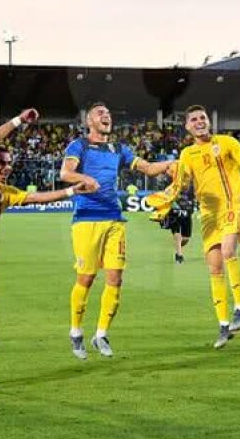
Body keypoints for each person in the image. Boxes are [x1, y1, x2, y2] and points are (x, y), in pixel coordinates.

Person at [0, 109, 93, 391]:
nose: (6, 166)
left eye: (9, 163)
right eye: (1, 162)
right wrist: (19, 121)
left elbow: (36, 197)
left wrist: (72, 191)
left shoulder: (6, 192)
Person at [60, 102, 174, 360]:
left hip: (114, 218)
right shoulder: (79, 146)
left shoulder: (119, 149)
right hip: (87, 218)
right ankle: (76, 331)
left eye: (108, 113)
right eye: (100, 113)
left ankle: (101, 334)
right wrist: (84, 178)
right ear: (89, 121)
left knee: (115, 278)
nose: (106, 116)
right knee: (86, 278)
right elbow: (66, 173)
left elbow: (148, 169)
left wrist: (173, 163)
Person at [145, 106, 240, 348]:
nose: (199, 122)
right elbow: (181, 184)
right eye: (194, 119)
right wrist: (165, 200)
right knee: (215, 267)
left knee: (228, 251)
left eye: (203, 118)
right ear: (187, 126)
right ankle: (224, 326)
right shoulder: (187, 154)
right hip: (208, 214)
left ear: (208, 121)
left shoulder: (226, 142)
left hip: (233, 204)